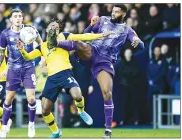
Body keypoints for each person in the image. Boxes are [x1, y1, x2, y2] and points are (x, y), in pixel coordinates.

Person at [52, 4, 144, 138]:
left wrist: (136, 41)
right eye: (113, 11)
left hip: (105, 62)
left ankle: (108, 130)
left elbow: (141, 44)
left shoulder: (127, 30)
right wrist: (91, 25)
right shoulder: (102, 20)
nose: (114, 13)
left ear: (124, 14)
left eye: (117, 12)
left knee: (107, 93)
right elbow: (85, 34)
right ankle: (54, 43)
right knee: (80, 43)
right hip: (92, 51)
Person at [16, 19, 113, 138]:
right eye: (52, 26)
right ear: (47, 29)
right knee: (45, 109)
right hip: (52, 78)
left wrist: (101, 35)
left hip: (65, 73)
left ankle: (81, 111)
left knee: (77, 95)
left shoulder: (64, 36)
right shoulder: (43, 47)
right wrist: (21, 49)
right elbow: (28, 57)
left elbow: (83, 36)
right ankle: (56, 132)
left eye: (57, 27)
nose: (54, 28)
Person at [0, 8, 43, 138]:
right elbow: (1, 52)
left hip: (28, 67)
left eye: (20, 16)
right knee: (9, 98)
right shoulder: (5, 34)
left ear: (22, 18)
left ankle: (31, 125)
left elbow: (40, 42)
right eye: (15, 16)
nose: (18, 18)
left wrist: (43, 57)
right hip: (13, 68)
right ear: (11, 19)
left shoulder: (30, 30)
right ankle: (4, 127)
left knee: (31, 98)